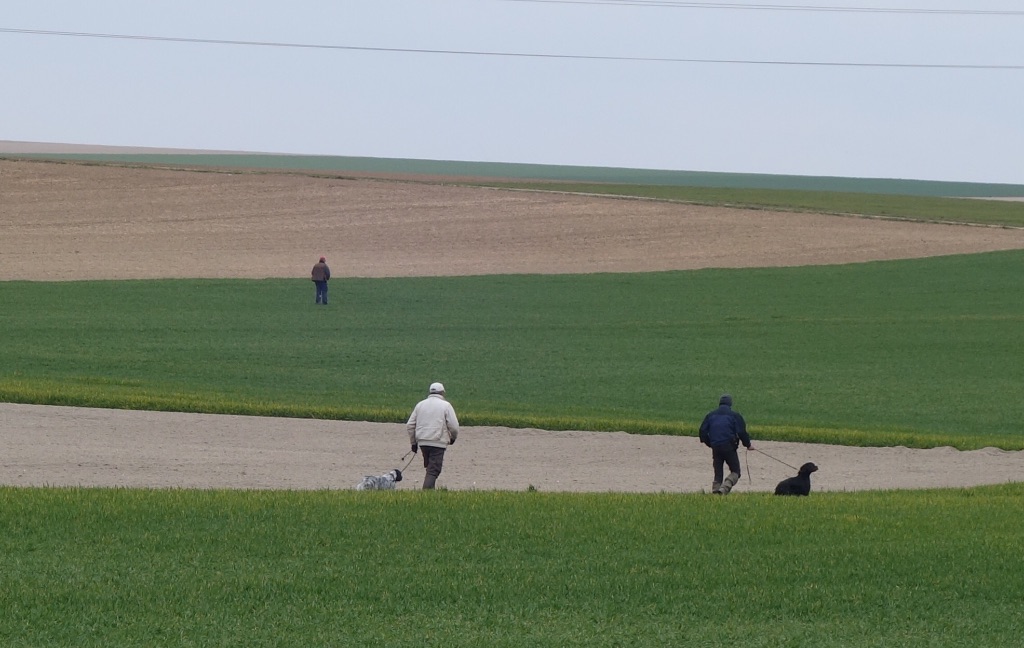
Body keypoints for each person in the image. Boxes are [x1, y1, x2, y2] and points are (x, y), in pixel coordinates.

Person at [406, 382, 459, 489]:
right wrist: (453, 437)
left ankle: (431, 491)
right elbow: (454, 426)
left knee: (430, 468)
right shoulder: (446, 405)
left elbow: (410, 425)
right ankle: (426, 494)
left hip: (422, 442)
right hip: (438, 442)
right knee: (434, 470)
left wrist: (413, 443)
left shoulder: (420, 405)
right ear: (443, 393)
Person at [698, 393, 753, 495]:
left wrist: (710, 443)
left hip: (715, 447)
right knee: (736, 471)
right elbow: (741, 432)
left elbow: (702, 432)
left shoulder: (710, 415)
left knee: (718, 472)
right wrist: (748, 445)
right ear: (730, 404)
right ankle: (724, 488)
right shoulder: (735, 416)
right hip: (729, 447)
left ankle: (715, 491)